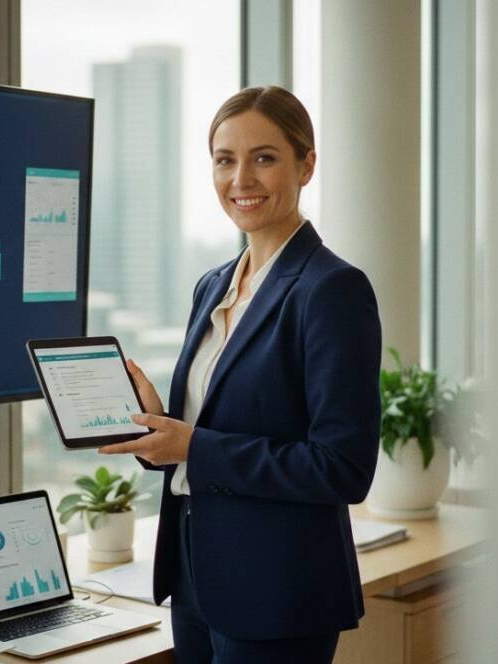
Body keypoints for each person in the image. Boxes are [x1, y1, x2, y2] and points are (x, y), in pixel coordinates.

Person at [99, 86, 382, 664]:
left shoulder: (331, 290)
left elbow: (344, 468)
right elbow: (215, 429)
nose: (241, 179)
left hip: (278, 593)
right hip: (197, 578)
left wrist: (194, 446)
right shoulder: (214, 284)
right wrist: (164, 428)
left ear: (306, 165)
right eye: (225, 160)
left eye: (264, 157)